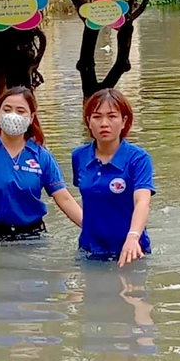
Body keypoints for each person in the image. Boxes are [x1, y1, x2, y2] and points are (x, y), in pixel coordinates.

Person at [0, 86, 82, 249]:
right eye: (7, 109)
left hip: (34, 237)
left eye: (20, 111)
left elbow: (64, 198)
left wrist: (91, 229)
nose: (13, 115)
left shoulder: (41, 156)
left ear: (31, 117)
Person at [71, 88, 156, 267]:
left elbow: (142, 202)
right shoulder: (79, 156)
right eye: (97, 117)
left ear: (124, 121)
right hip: (89, 251)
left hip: (131, 251)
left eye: (112, 116)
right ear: (88, 121)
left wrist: (133, 237)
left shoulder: (138, 159)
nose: (104, 123)